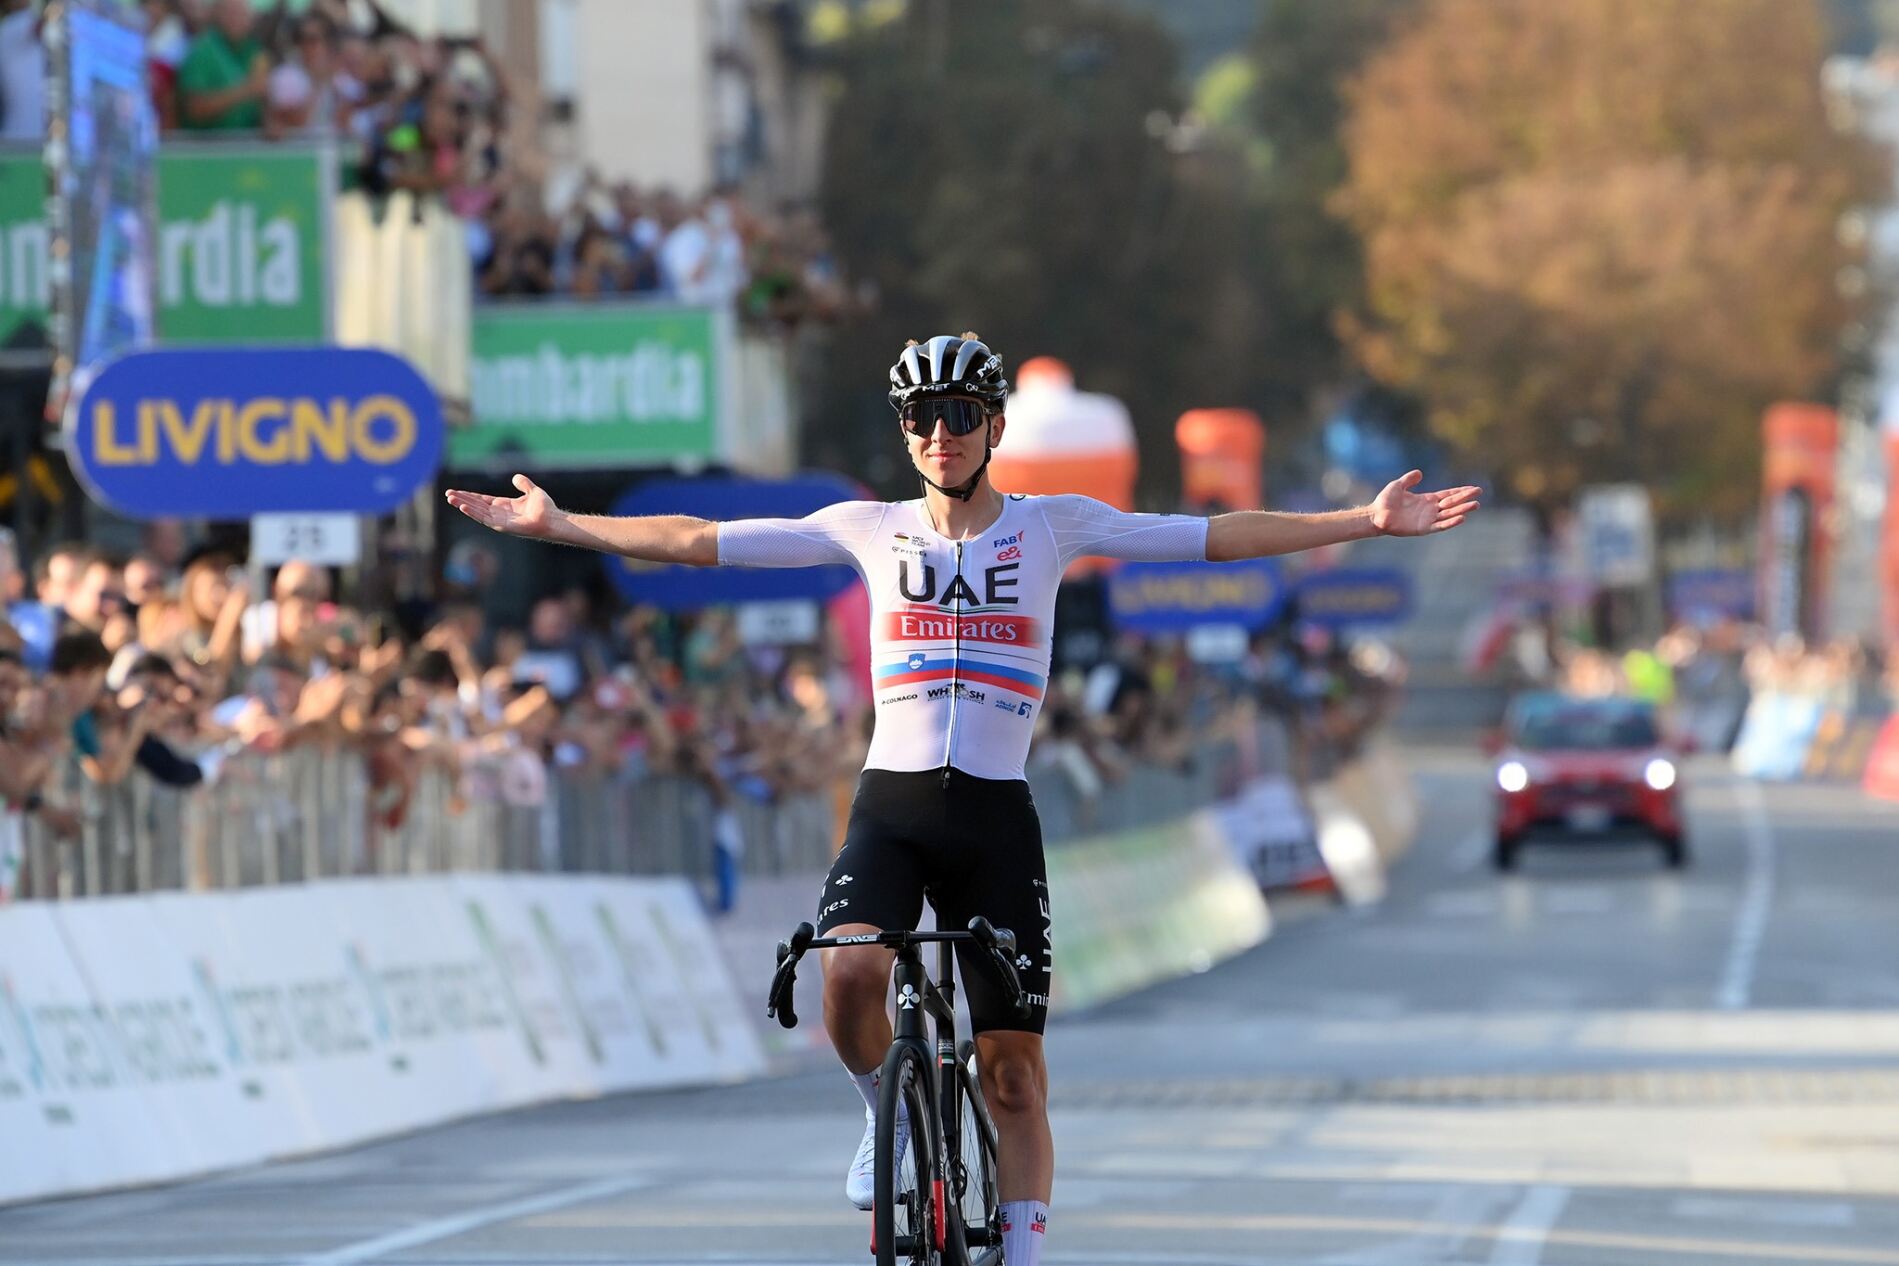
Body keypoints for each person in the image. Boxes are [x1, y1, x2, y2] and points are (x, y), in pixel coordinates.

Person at [445, 332, 1481, 1266]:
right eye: (920, 418)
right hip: (891, 808)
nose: (940, 434)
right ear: (905, 433)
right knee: (850, 974)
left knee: (1014, 1074)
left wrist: (1364, 521)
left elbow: (1213, 536)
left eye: (959, 415)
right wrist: (565, 525)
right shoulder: (865, 527)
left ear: (992, 426)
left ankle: (1020, 1255)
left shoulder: (1052, 527)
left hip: (993, 817)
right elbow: (698, 538)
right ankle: (877, 1117)